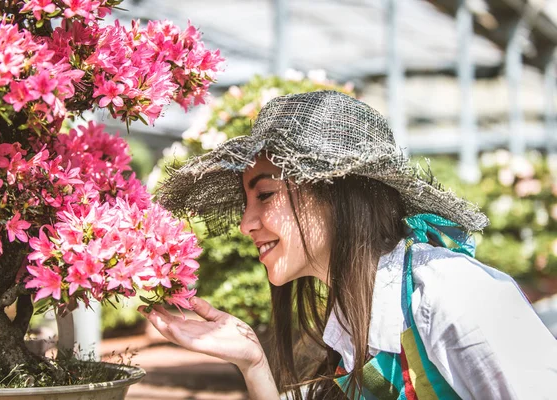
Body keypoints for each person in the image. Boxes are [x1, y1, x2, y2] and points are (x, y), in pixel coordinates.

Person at [140, 91, 557, 399]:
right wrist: (252, 361)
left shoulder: (451, 294)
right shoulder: (348, 316)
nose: (246, 224)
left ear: (335, 196)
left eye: (264, 195)